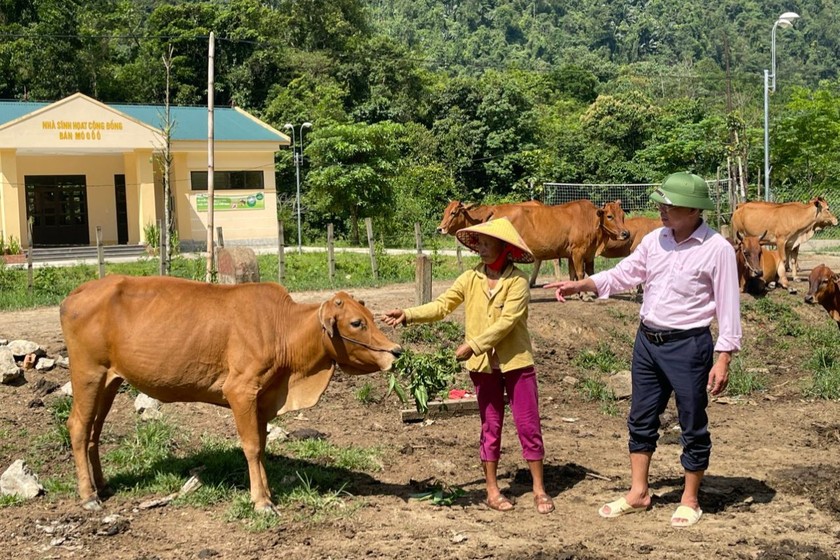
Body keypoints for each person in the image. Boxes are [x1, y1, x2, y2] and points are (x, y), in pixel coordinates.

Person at [545, 172, 741, 528]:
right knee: (641, 416)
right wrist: (584, 284)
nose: (662, 210)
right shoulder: (655, 240)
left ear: (694, 210)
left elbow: (728, 305)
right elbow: (625, 273)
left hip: (688, 345)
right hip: (648, 341)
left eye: (670, 205)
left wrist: (724, 356)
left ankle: (690, 498)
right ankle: (639, 492)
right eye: (661, 204)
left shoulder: (717, 249)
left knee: (692, 420)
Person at [382, 218, 554, 514]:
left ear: (505, 247)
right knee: (490, 426)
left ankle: (539, 488)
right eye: (478, 244)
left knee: (528, 425)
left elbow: (507, 322)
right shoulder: (470, 278)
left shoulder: (518, 281)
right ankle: (492, 490)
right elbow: (442, 305)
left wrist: (473, 345)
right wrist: (408, 314)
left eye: (487, 243)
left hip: (516, 364)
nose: (481, 249)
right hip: (483, 367)